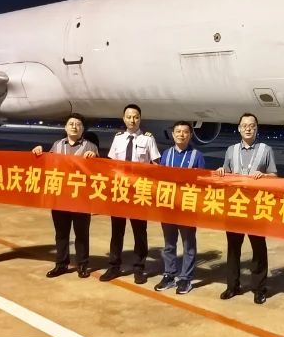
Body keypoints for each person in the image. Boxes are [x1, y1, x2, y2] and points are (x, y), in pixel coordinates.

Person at [213, 112, 277, 304]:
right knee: (233, 248)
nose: (248, 129)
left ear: (256, 128)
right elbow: (225, 173)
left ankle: (259, 288)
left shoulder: (266, 149)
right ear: (239, 128)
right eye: (245, 126)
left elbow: (275, 176)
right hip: (235, 206)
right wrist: (221, 171)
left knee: (258, 248)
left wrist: (265, 176)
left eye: (252, 126)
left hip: (256, 206)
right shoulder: (231, 150)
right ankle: (232, 286)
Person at [32, 113, 99, 279]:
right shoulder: (57, 145)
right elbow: (47, 164)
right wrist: (38, 152)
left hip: (81, 198)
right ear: (65, 127)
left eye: (78, 124)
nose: (74, 127)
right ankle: (61, 264)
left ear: (83, 129)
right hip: (60, 197)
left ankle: (82, 264)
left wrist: (95, 159)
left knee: (81, 234)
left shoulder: (91, 147)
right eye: (71, 124)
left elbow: (98, 172)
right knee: (61, 234)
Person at [103, 103, 160, 284]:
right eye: (129, 117)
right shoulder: (118, 138)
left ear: (140, 119)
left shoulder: (148, 139)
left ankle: (139, 268)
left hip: (139, 192)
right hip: (120, 191)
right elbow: (111, 164)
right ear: (124, 118)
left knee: (139, 232)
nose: (132, 120)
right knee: (117, 231)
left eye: (135, 117)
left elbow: (156, 165)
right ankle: (114, 266)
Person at [155, 121, 206, 295]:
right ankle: (169, 275)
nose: (181, 135)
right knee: (169, 244)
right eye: (178, 131)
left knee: (188, 244)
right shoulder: (166, 154)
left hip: (187, 206)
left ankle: (186, 278)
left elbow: (202, 182)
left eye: (185, 132)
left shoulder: (197, 156)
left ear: (190, 135)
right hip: (169, 205)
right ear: (173, 134)